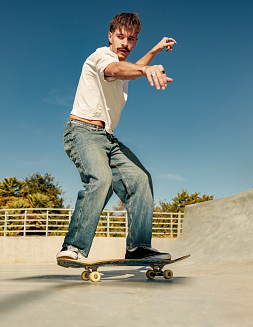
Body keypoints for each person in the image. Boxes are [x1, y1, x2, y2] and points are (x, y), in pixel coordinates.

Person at [57, 12, 177, 263]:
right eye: (120, 37)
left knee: (141, 179)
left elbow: (132, 70)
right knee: (101, 180)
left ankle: (138, 248)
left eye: (131, 39)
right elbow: (118, 69)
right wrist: (146, 69)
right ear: (110, 37)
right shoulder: (101, 55)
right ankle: (74, 246)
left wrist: (153, 51)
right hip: (81, 132)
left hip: (108, 138)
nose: (125, 43)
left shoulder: (128, 63)